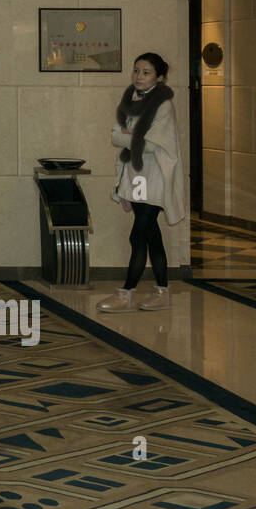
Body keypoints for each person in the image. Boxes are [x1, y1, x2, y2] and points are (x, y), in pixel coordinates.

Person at [98, 52, 187, 313]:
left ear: (159, 77)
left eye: (146, 72)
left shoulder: (162, 104)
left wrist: (128, 136)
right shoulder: (130, 98)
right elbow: (116, 136)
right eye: (136, 70)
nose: (139, 76)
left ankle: (125, 293)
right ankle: (163, 291)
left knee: (138, 235)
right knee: (151, 236)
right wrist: (130, 137)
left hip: (156, 177)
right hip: (136, 176)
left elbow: (148, 145)